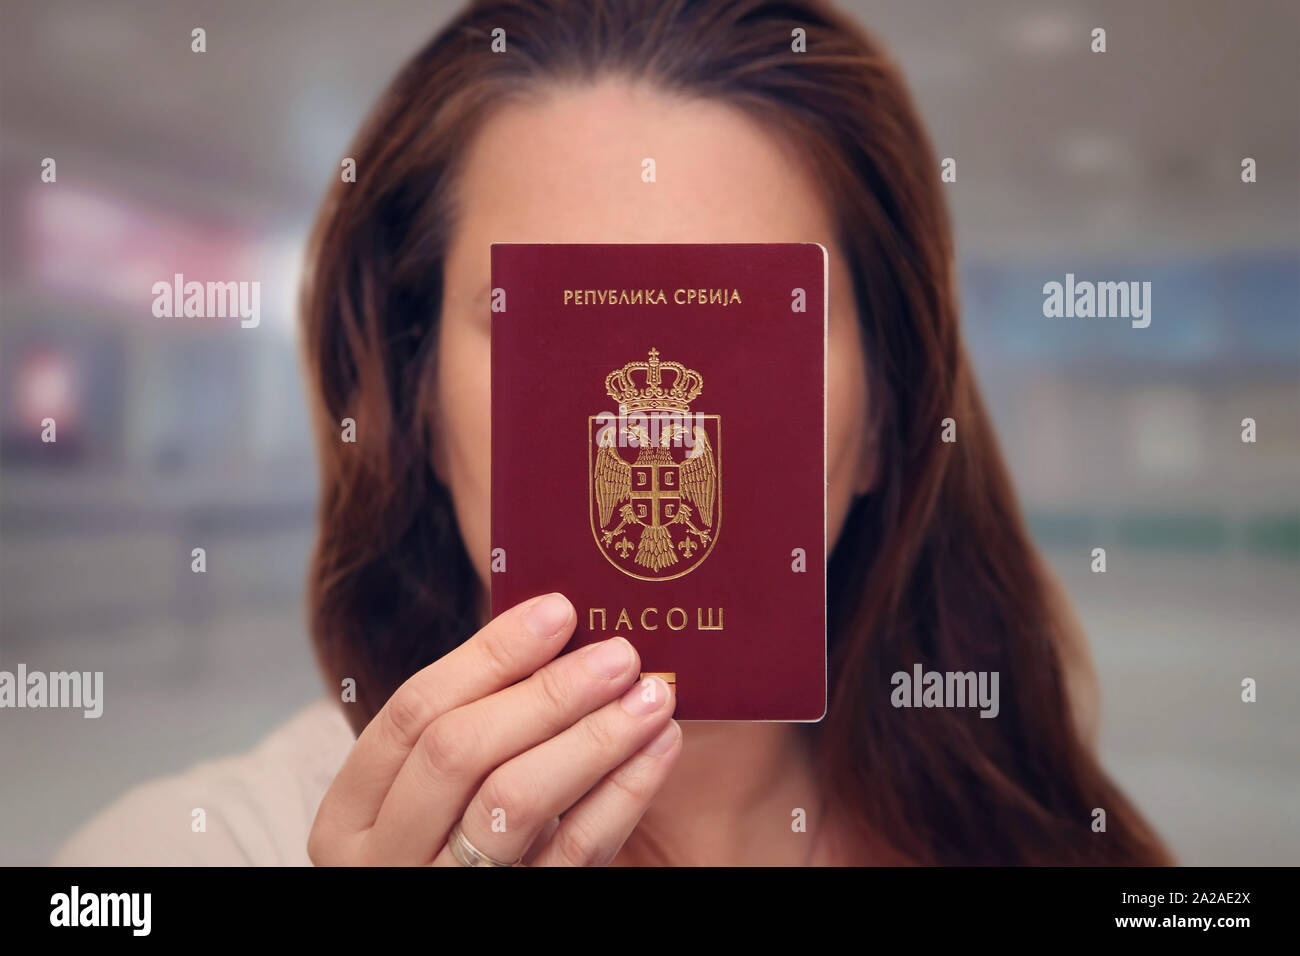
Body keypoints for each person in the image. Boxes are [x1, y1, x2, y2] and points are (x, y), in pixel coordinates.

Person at [55, 0, 1171, 866]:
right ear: (419, 408)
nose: (632, 415)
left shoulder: (1042, 842)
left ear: (884, 419)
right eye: (548, 320)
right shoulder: (183, 851)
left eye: (740, 318)